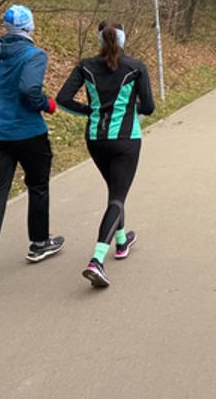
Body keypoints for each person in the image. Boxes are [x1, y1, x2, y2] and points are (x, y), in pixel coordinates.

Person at [0, 5, 64, 288]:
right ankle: (39, 243)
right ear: (29, 27)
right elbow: (29, 90)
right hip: (28, 133)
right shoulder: (34, 55)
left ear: (5, 27)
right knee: (38, 185)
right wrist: (47, 104)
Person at [57, 20, 154, 288]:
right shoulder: (136, 67)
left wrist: (89, 112)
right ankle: (96, 260)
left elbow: (63, 99)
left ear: (100, 39)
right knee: (118, 197)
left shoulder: (85, 66)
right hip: (125, 140)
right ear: (123, 39)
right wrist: (131, 107)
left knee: (114, 193)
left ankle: (121, 242)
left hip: (95, 140)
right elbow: (149, 107)